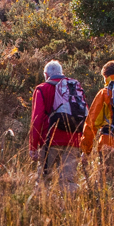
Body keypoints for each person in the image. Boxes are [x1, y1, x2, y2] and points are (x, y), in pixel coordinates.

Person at [27, 60, 89, 190]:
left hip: (49, 140)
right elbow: (85, 115)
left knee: (43, 179)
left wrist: (33, 146)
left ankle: (43, 207)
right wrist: (85, 145)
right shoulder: (74, 88)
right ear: (61, 73)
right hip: (73, 140)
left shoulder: (42, 89)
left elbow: (36, 119)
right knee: (68, 180)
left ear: (46, 74)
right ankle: (69, 208)